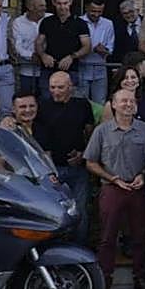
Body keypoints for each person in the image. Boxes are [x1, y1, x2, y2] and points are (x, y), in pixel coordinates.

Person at [84, 88, 145, 289]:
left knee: (140, 236)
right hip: (112, 188)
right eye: (123, 101)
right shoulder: (102, 131)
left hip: (137, 189)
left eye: (132, 101)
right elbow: (90, 162)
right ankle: (104, 279)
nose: (128, 104)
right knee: (107, 237)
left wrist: (143, 174)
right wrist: (111, 178)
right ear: (113, 105)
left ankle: (140, 276)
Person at [34, 71, 95, 244]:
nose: (55, 91)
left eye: (60, 87)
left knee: (80, 210)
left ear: (70, 87)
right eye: (52, 87)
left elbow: (90, 134)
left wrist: (83, 154)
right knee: (50, 211)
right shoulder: (42, 106)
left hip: (78, 169)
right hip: (51, 170)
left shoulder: (82, 105)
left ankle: (79, 248)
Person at [36, 0, 91, 96]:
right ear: (53, 3)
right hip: (48, 69)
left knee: (70, 101)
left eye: (65, 3)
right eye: (59, 3)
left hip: (71, 70)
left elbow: (87, 46)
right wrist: (43, 55)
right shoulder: (47, 22)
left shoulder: (80, 23)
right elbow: (38, 43)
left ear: (70, 2)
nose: (62, 7)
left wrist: (72, 57)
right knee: (46, 101)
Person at [103, 64, 145, 130]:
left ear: (138, 81)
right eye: (125, 78)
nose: (130, 80)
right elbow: (105, 129)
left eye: (133, 77)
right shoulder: (110, 104)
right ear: (120, 81)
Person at [10, 0, 46, 98]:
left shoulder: (50, 18)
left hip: (46, 70)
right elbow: (18, 46)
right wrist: (32, 55)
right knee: (27, 99)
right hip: (27, 70)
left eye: (44, 5)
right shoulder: (18, 22)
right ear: (30, 7)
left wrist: (44, 56)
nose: (44, 8)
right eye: (41, 6)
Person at [79, 0, 114, 104]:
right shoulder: (79, 21)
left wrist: (104, 50)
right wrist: (90, 48)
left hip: (100, 69)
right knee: (81, 102)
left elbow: (110, 48)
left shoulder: (108, 24)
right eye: (93, 11)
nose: (96, 14)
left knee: (100, 103)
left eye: (100, 12)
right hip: (82, 68)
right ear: (86, 8)